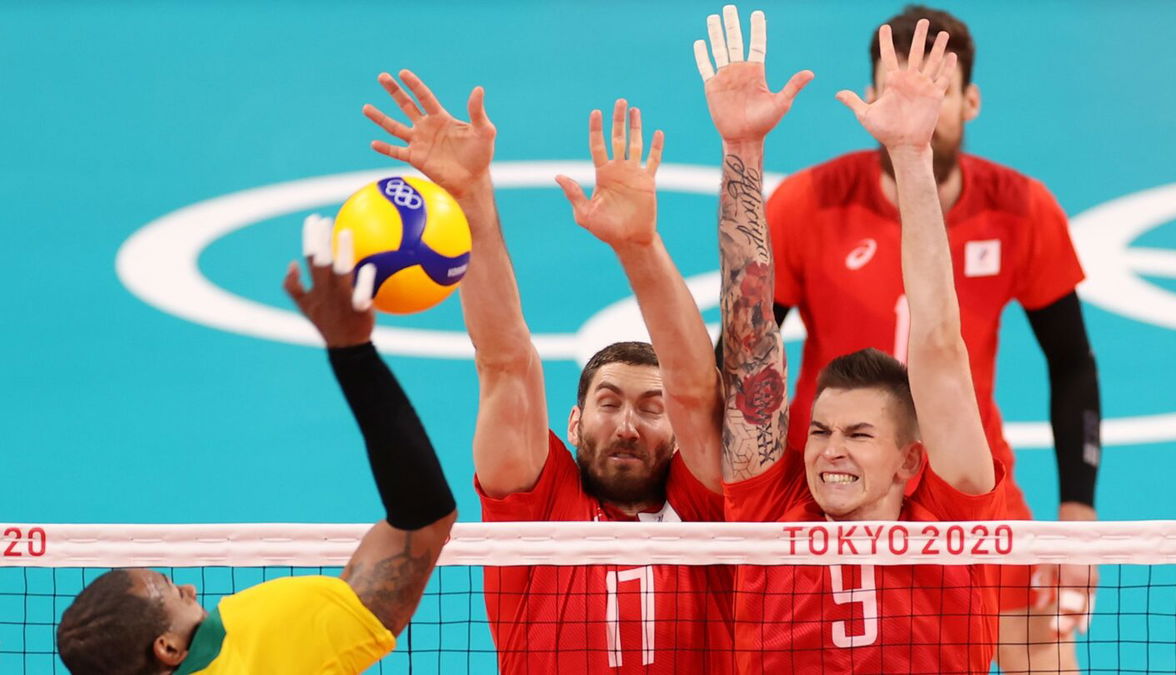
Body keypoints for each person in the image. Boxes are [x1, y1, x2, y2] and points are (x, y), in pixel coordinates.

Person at [765, 6, 1100, 669]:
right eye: (897, 90)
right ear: (869, 100)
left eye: (934, 90)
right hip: (831, 479)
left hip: (964, 477)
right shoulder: (806, 204)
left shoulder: (1021, 208)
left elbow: (1071, 363)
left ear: (969, 100)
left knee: (1047, 658)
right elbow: (745, 360)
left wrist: (1077, 517)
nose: (916, 108)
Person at [364, 72, 732, 672]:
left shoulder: (708, 509)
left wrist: (639, 246)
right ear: (574, 420)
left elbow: (697, 388)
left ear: (679, 431)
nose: (628, 425)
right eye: (609, 403)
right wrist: (470, 197)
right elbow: (505, 363)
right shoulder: (537, 509)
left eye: (651, 407)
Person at [698, 8, 1005, 672]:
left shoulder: (951, 521)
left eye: (859, 434)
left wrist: (910, 156)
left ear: (909, 463)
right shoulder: (772, 509)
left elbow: (940, 343)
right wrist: (741, 152)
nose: (829, 451)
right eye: (822, 430)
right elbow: (748, 345)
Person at [54, 217, 458, 674]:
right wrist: (352, 352)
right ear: (166, 647)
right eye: (170, 592)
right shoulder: (259, 650)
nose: (187, 588)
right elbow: (422, 521)